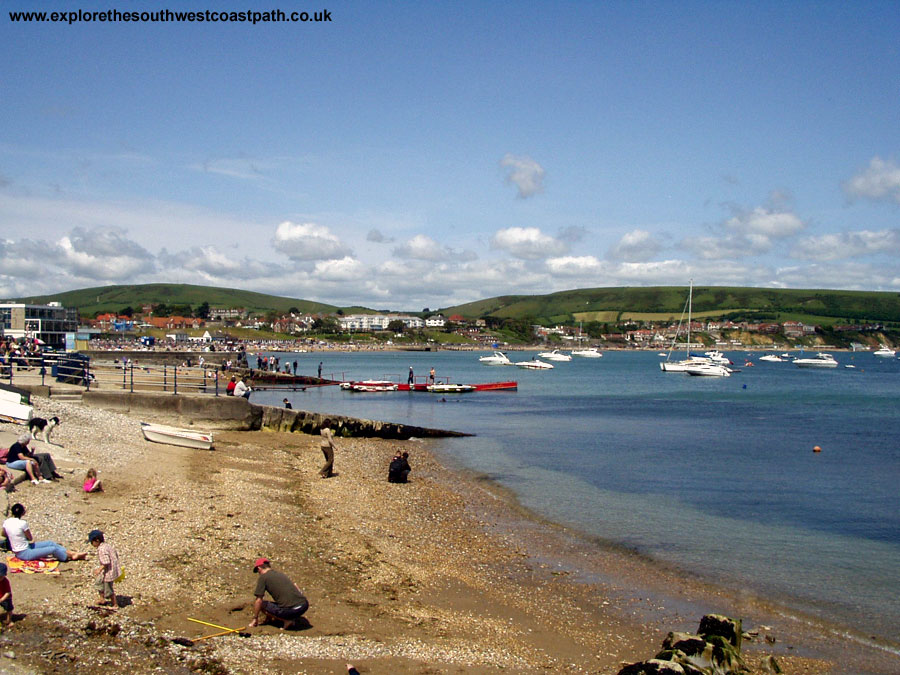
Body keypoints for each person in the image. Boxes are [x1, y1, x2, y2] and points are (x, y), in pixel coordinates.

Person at [2, 503, 87, 562]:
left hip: (23, 549)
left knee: (50, 543)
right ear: (22, 513)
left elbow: (3, 534)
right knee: (52, 549)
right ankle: (67, 557)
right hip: (24, 553)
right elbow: (30, 538)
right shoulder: (22, 523)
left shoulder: (7, 522)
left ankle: (72, 553)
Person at [249, 558, 308, 629]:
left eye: (257, 571)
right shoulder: (280, 574)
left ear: (259, 568)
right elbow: (296, 587)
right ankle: (271, 619)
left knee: (263, 604)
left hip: (292, 610)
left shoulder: (263, 578)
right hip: (304, 605)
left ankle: (287, 620)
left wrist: (255, 618)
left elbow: (259, 601)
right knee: (280, 603)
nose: (258, 573)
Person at [88, 530, 120, 608]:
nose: (91, 544)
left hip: (109, 571)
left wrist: (99, 569)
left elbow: (106, 562)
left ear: (97, 540)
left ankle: (115, 604)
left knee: (108, 589)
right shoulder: (107, 546)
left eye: (92, 542)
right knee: (99, 582)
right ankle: (102, 599)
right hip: (110, 569)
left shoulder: (102, 549)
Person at [0, 563, 12, 628]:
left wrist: (1, 600)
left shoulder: (5, 582)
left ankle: (9, 621)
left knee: (9, 609)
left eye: (1, 577)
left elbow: (8, 592)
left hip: (6, 598)